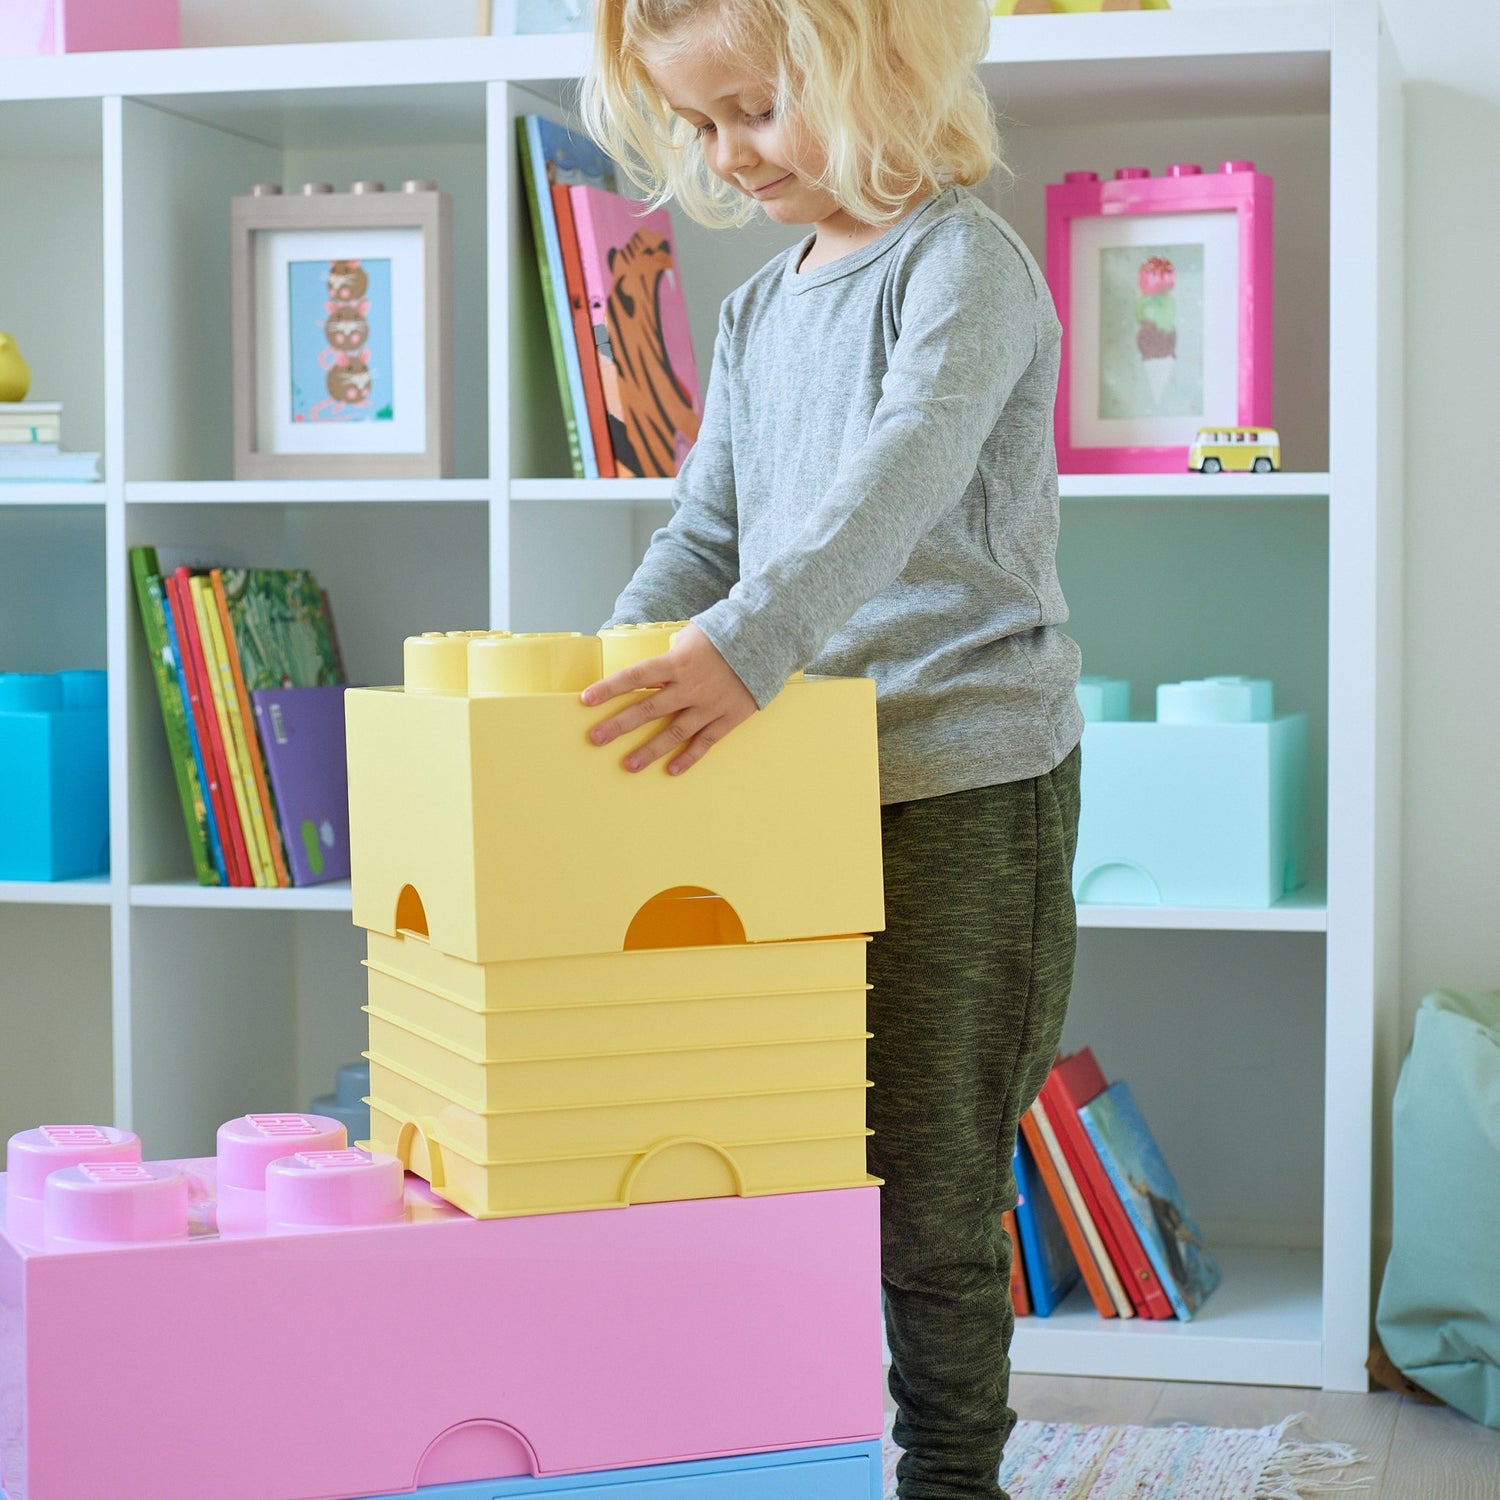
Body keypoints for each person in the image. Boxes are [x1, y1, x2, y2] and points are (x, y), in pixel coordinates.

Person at [578, 3, 1083, 1496]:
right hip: (783, 792)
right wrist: (606, 676)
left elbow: (895, 483)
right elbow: (703, 535)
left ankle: (947, 1473)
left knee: (928, 1181)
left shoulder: (965, 269)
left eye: (756, 109)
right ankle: (781, 1442)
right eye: (700, 124)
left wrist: (743, 646)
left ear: (880, 73)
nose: (729, 153)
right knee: (779, 1160)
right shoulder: (754, 313)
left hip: (958, 783)